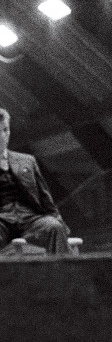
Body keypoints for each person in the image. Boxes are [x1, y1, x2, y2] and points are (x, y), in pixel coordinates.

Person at [0, 108, 73, 254]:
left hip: (30, 218)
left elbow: (44, 196)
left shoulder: (27, 160)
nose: (3, 136)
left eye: (5, 130)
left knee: (54, 227)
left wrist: (59, 221)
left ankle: (63, 275)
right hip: (2, 219)